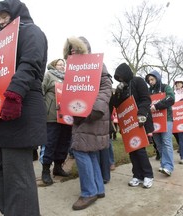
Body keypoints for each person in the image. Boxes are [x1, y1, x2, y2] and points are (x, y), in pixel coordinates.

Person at [0, 0, 48, 215]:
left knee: (18, 179)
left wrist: (15, 94)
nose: (0, 20)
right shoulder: (2, 41)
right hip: (0, 112)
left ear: (16, 13)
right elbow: (1, 72)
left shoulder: (31, 31)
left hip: (21, 107)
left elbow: (31, 62)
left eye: (4, 15)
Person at [62, 36, 112, 210]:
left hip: (91, 115)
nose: (72, 50)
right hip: (80, 114)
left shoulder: (96, 63)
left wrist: (94, 110)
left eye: (75, 47)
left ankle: (88, 192)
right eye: (70, 48)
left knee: (80, 151)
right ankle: (98, 189)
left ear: (84, 48)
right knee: (89, 152)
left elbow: (106, 87)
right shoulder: (73, 68)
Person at [113, 63, 154, 188]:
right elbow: (117, 105)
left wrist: (141, 113)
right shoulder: (122, 87)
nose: (120, 80)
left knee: (140, 149)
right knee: (132, 150)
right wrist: (117, 93)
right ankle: (137, 175)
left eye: (121, 77)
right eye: (118, 78)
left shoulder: (138, 81)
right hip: (128, 123)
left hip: (139, 119)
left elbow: (146, 99)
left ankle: (148, 175)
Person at [40, 58, 72, 186]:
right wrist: (43, 108)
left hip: (66, 117)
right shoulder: (49, 75)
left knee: (64, 142)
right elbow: (41, 91)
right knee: (50, 142)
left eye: (64, 64)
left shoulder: (69, 78)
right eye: (60, 64)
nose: (62, 66)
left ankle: (58, 167)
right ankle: (45, 170)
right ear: (54, 65)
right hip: (52, 117)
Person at [145, 70, 175, 176]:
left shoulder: (166, 87)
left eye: (152, 79)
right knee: (158, 144)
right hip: (154, 121)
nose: (150, 82)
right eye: (149, 80)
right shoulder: (148, 91)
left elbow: (171, 98)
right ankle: (164, 164)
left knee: (166, 142)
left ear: (157, 78)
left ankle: (169, 167)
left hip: (167, 118)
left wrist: (156, 105)